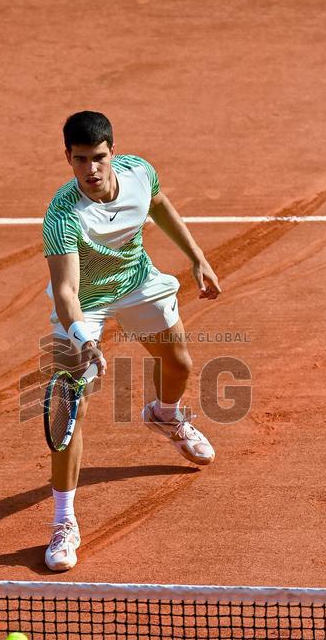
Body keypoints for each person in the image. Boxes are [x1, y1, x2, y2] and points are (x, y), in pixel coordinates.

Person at [42, 111, 221, 571]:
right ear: (68, 158)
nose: (91, 170)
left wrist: (196, 257)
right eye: (80, 160)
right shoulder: (62, 215)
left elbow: (158, 204)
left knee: (178, 363)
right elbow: (65, 291)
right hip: (86, 304)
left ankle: (165, 417)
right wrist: (83, 336)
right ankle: (64, 523)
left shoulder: (140, 171)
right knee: (69, 408)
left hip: (138, 282)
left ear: (112, 153)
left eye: (98, 157)